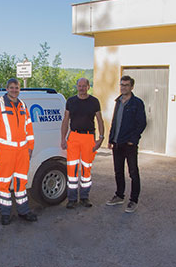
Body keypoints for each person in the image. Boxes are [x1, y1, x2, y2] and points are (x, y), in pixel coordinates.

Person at [0, 78, 37, 225]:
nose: (14, 90)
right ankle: (5, 214)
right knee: (4, 183)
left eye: (17, 87)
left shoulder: (22, 105)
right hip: (5, 151)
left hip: (22, 151)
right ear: (6, 88)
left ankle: (24, 211)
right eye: (11, 87)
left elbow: (29, 127)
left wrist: (30, 147)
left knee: (21, 182)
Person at [61, 78, 104, 209]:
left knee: (86, 168)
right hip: (73, 137)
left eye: (84, 86)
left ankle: (84, 197)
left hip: (88, 138)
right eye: (79, 86)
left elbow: (100, 120)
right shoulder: (71, 101)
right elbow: (66, 120)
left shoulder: (94, 101)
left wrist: (101, 138)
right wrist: (63, 138)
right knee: (72, 169)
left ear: (88, 87)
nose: (81, 88)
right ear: (77, 87)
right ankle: (72, 199)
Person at [106, 75, 147, 213]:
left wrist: (133, 140)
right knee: (118, 171)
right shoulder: (118, 102)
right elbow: (115, 122)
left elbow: (142, 123)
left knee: (133, 172)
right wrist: (111, 139)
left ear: (132, 87)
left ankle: (133, 200)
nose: (123, 87)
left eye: (126, 85)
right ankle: (119, 195)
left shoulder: (137, 103)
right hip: (117, 143)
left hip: (129, 144)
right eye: (121, 85)